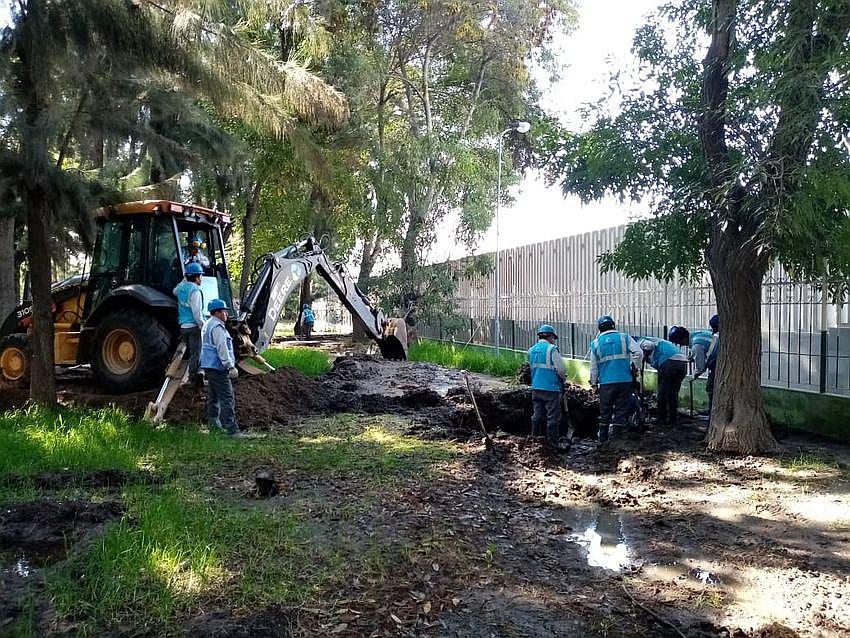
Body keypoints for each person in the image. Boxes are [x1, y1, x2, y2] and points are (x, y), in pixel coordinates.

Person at [589, 315, 642, 442]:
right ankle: (616, 441)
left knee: (605, 411)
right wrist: (634, 368)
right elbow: (638, 352)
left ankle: (602, 440)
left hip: (606, 383)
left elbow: (593, 366)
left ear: (600, 329)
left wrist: (594, 383)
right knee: (621, 410)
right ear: (614, 326)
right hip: (625, 381)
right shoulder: (625, 337)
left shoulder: (596, 343)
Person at [200, 299, 242, 437]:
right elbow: (222, 349)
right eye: (224, 311)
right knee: (227, 397)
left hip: (209, 366)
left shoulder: (208, 324)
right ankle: (232, 430)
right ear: (217, 312)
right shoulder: (217, 327)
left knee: (214, 397)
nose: (226, 314)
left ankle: (214, 425)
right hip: (218, 367)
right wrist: (230, 366)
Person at [527, 324, 566, 449]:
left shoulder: (531, 350)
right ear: (550, 337)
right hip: (551, 389)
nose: (553, 340)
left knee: (537, 414)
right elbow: (560, 370)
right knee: (553, 417)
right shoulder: (552, 349)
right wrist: (563, 380)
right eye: (553, 338)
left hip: (536, 388)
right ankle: (553, 444)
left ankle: (534, 440)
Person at [639, 337, 689, 427]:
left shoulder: (639, 341)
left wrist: (644, 355)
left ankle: (662, 419)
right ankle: (673, 419)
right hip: (682, 363)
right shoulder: (660, 342)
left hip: (669, 362)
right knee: (673, 393)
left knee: (662, 392)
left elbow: (649, 346)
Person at [172, 262, 205, 385]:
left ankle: (188, 375)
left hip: (183, 327)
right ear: (196, 277)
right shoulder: (195, 291)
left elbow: (174, 291)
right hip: (193, 327)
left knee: (188, 352)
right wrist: (202, 325)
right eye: (201, 276)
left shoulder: (181, 288)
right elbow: (197, 312)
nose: (202, 278)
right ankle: (193, 377)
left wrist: (184, 279)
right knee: (195, 353)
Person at [705, 314, 720, 418]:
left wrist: (703, 365)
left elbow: (711, 354)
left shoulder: (717, 337)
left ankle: (712, 411)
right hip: (717, 366)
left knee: (710, 388)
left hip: (716, 367)